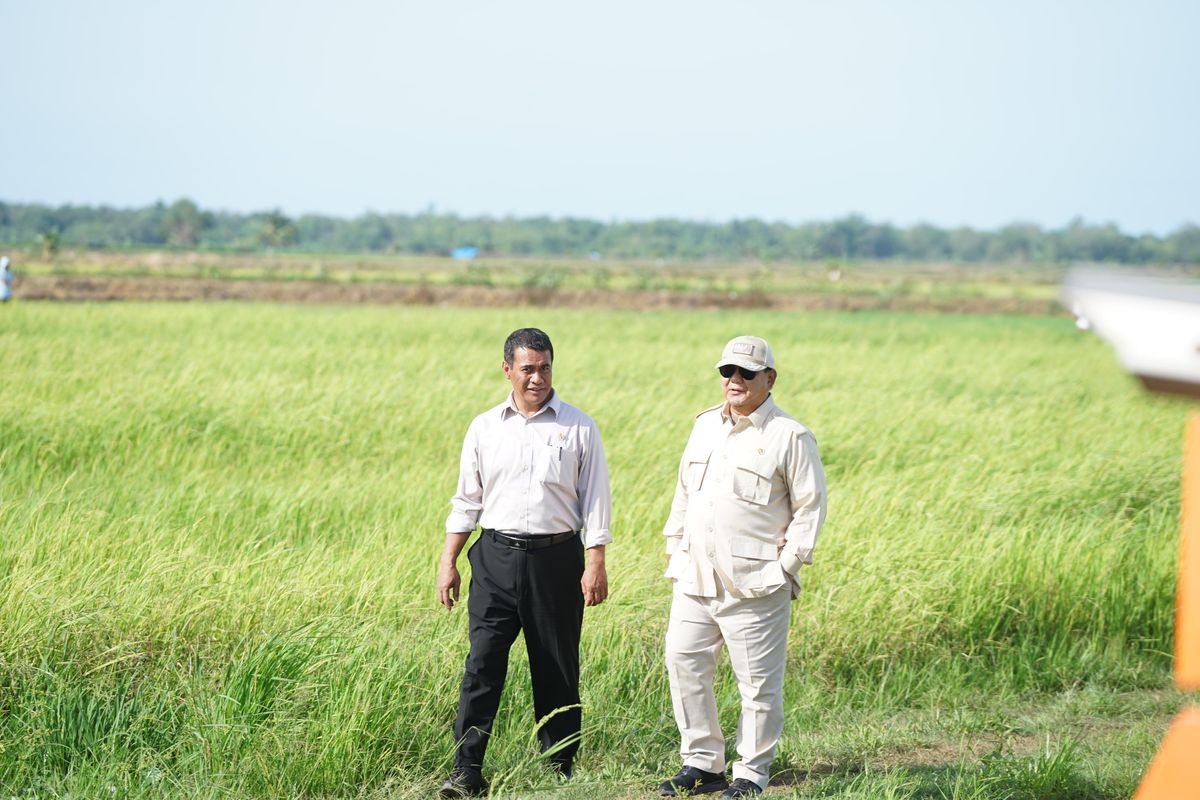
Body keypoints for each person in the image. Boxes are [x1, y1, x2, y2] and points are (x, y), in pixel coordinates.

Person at [437, 327, 612, 798]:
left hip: (557, 560)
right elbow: (466, 500)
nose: (537, 377)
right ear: (508, 370)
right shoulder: (485, 427)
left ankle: (559, 770)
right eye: (528, 368)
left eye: (545, 366)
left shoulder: (578, 427)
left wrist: (594, 561)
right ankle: (467, 770)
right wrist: (449, 560)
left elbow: (595, 500)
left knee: (556, 665)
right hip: (493, 558)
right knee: (482, 665)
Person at [659, 335, 827, 798]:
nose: (734, 381)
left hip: (756, 582)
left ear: (769, 379)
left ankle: (751, 772)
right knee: (683, 662)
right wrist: (676, 550)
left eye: (746, 373)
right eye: (727, 372)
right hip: (695, 577)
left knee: (756, 684)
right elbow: (684, 494)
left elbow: (811, 508)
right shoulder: (704, 426)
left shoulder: (789, 436)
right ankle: (702, 763)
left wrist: (785, 567)